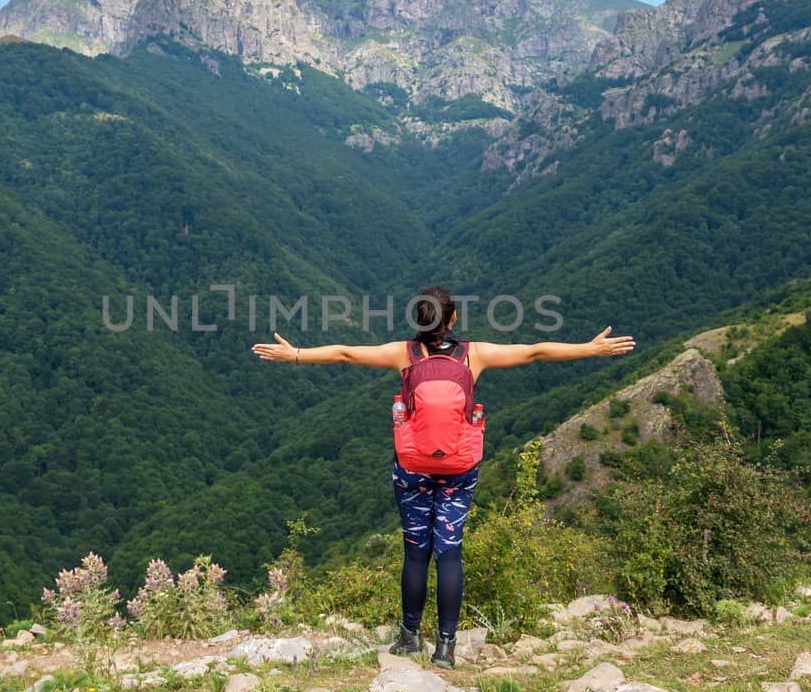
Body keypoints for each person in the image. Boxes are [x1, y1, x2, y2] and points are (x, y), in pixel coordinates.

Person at [251, 286, 635, 668]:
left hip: (413, 468)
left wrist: (295, 354)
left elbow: (345, 353)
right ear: (452, 319)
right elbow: (535, 350)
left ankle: (409, 637)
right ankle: (446, 648)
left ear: (417, 321)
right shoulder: (474, 355)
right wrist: (590, 348)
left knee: (416, 553)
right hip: (458, 470)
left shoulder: (404, 354)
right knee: (448, 552)